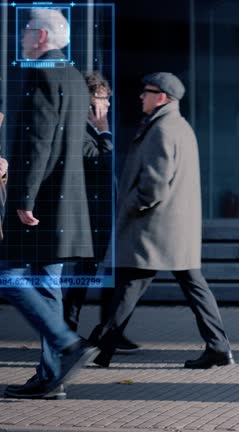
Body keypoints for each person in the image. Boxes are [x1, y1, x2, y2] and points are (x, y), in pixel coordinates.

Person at [89, 72, 234, 369]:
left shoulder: (163, 130)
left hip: (154, 227)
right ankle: (219, 347)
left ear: (162, 97)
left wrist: (128, 207)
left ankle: (97, 348)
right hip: (170, 229)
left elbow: (154, 186)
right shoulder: (175, 126)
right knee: (185, 286)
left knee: (131, 286)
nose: (141, 96)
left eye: (147, 91)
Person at [0, 8, 97, 399]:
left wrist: (22, 198)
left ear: (40, 36)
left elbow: (38, 143)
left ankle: (66, 344)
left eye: (25, 30)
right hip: (64, 204)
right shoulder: (74, 77)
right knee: (48, 284)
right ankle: (52, 376)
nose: (21, 36)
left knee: (9, 276)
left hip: (40, 203)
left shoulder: (41, 73)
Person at [61, 71, 140, 353]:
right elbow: (100, 164)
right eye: (99, 101)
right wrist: (104, 130)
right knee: (82, 277)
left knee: (111, 274)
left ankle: (109, 331)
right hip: (89, 217)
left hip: (109, 215)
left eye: (106, 102)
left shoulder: (94, 128)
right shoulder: (77, 129)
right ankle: (66, 333)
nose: (104, 107)